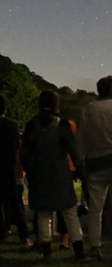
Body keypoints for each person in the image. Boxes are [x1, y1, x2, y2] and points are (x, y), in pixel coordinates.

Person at [21, 91, 86, 260]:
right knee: (70, 212)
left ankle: (46, 250)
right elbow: (74, 150)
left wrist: (30, 170)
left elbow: (24, 154)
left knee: (43, 214)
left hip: (40, 174)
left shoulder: (32, 125)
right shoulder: (63, 125)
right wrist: (80, 169)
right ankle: (78, 250)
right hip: (61, 174)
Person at [0, 94, 31, 245]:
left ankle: (0, 233)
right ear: (5, 108)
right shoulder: (12, 125)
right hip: (8, 167)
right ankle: (23, 234)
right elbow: (16, 146)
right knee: (14, 202)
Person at [77, 75, 112, 261]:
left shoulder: (89, 109)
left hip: (96, 162)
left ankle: (95, 246)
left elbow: (81, 138)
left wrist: (81, 161)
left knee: (95, 209)